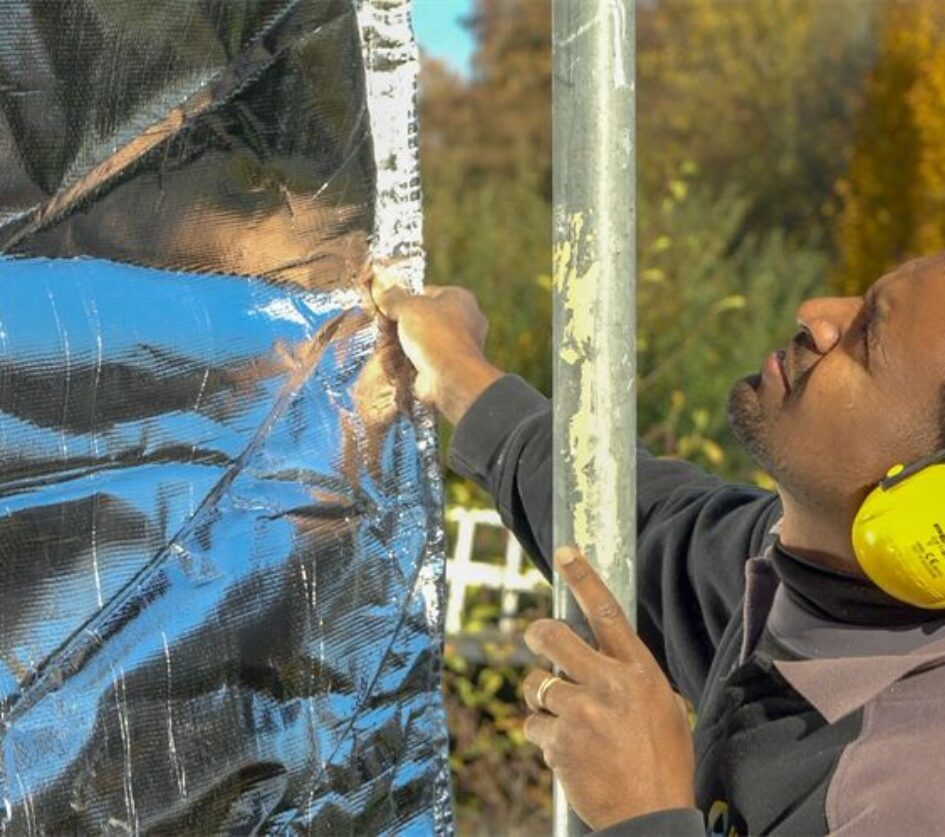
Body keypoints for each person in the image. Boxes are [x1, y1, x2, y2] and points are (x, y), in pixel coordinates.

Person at [369, 252, 945, 836]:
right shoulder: (811, 583)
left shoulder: (908, 797)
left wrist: (644, 813)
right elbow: (641, 522)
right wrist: (457, 371)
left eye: (865, 340)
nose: (817, 314)